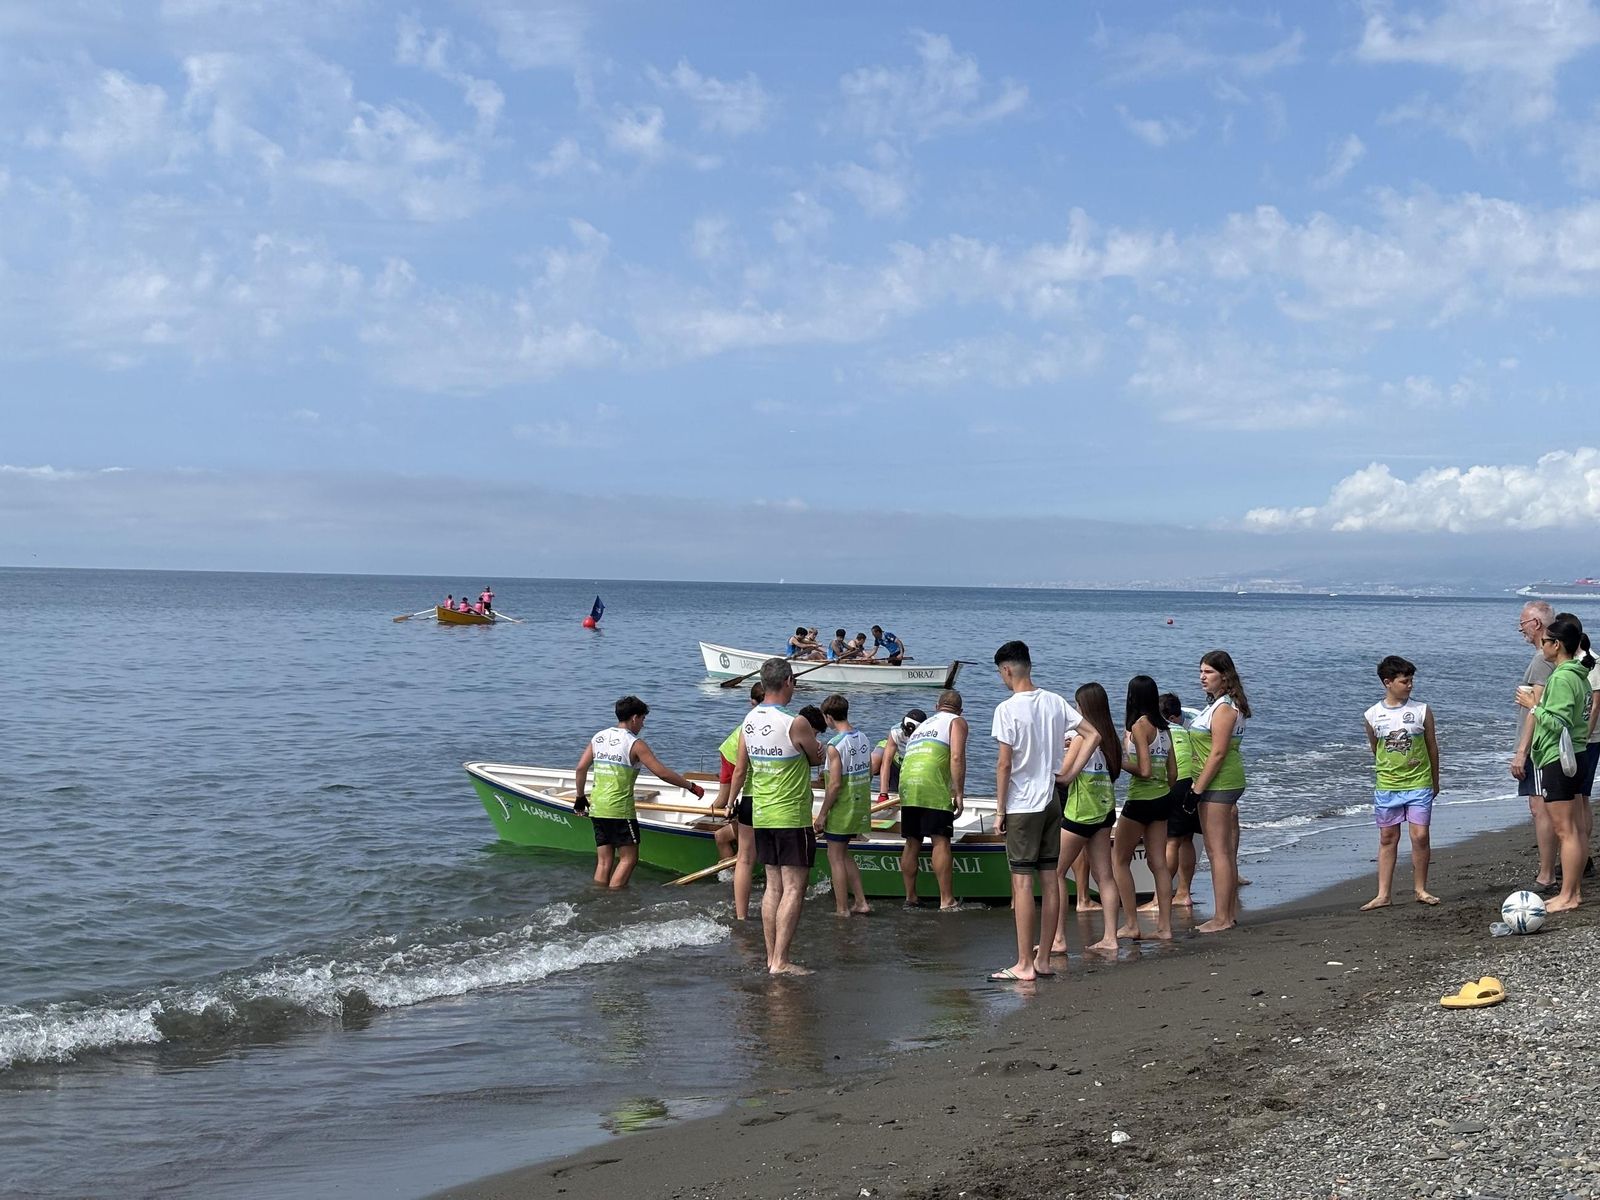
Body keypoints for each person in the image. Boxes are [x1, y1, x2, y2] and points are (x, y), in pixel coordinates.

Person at [724, 659, 827, 974]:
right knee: (794, 887)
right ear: (788, 682)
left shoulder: (750, 719)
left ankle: (772, 957)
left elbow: (742, 766)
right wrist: (817, 751)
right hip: (791, 814)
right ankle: (780, 961)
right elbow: (814, 756)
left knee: (773, 886)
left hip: (762, 813)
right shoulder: (795, 722)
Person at [988, 640, 1079, 982]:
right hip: (1052, 799)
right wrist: (1068, 773)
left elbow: (1003, 764)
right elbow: (1092, 734)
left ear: (1007, 670)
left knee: (1022, 883)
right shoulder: (1055, 701)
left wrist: (999, 810)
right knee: (1050, 877)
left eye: (1001, 673)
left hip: (1023, 804)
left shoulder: (1007, 708)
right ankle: (1042, 960)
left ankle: (1024, 963)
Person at [573, 696, 706, 889]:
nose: (643, 725)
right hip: (620, 810)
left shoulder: (598, 738)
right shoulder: (635, 744)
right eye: (643, 719)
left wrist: (579, 797)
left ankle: (598, 896)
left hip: (598, 808)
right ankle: (613, 900)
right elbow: (662, 773)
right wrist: (690, 786)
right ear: (634, 718)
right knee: (629, 859)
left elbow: (580, 768)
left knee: (603, 862)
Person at [1518, 615, 1592, 913]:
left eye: (1546, 641)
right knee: (1573, 828)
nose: (1543, 646)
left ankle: (1569, 895)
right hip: (1577, 754)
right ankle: (1571, 892)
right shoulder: (1578, 674)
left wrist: (1532, 706)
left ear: (1557, 645)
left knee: (1566, 830)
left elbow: (1558, 722)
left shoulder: (1562, 677)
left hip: (1559, 758)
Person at [1361, 656, 1442, 911]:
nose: (1410, 685)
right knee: (1387, 836)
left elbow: (1432, 747)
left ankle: (1420, 889)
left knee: (1420, 835)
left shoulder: (1421, 710)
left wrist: (1435, 781)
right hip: (1388, 785)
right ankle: (1383, 894)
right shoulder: (1373, 714)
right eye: (1404, 681)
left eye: (1411, 680)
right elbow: (1376, 749)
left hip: (1419, 782)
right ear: (1388, 683)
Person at [1050, 683, 1123, 955]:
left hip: (1081, 812)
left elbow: (1063, 772)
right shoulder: (1111, 739)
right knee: (1104, 875)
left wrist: (1060, 749)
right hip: (1105, 809)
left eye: (1077, 705)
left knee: (1055, 871)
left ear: (1084, 707)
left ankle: (1058, 938)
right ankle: (1110, 938)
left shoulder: (1082, 737)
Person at [1112, 675, 1176, 940]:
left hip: (1140, 799)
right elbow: (1173, 772)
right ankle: (1165, 928)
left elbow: (1145, 770)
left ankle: (1131, 923)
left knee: (1119, 859)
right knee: (1158, 863)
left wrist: (1120, 760)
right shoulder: (1165, 727)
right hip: (1163, 798)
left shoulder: (1140, 726)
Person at [1192, 650, 1250, 934]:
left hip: (1221, 783)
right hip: (1218, 782)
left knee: (1218, 852)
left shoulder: (1224, 708)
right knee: (1219, 851)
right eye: (1201, 671)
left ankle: (1223, 917)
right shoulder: (1217, 705)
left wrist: (1197, 789)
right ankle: (1225, 914)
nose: (1202, 677)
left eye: (1208, 672)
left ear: (1224, 676)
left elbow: (1218, 752)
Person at [896, 690, 968, 910]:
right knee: (940, 839)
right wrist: (958, 792)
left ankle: (911, 896)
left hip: (907, 781)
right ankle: (947, 900)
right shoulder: (957, 721)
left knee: (912, 840)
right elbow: (956, 756)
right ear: (960, 710)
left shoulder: (924, 725)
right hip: (931, 783)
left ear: (937, 706)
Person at [1511, 600, 1558, 890]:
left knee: (1540, 807)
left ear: (1536, 624)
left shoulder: (1543, 659)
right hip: (1551, 744)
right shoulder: (1559, 656)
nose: (1521, 632)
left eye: (1523, 626)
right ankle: (1570, 860)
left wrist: (1521, 752)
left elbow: (1534, 708)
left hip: (1539, 747)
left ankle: (1546, 874)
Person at [812, 694, 872, 917]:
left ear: (828, 717)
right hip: (860, 803)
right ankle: (861, 901)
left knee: (835, 857)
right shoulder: (863, 737)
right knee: (845, 855)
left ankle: (842, 908)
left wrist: (822, 814)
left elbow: (835, 784)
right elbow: (867, 771)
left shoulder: (834, 745)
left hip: (842, 807)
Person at [716, 682, 765, 916]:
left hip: (742, 771)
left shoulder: (758, 718)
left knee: (726, 802)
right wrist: (729, 803)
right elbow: (741, 771)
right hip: (732, 756)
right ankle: (731, 879)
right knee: (724, 799)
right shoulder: (753, 722)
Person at [1159, 692, 1199, 908]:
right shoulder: (1187, 728)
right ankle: (1184, 893)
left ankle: (1159, 899)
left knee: (1171, 841)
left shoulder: (1160, 731)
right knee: (1186, 839)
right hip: (1194, 783)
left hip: (1176, 783)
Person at [876, 708, 926, 799]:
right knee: (874, 761)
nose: (906, 734)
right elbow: (886, 762)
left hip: (911, 762)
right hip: (896, 757)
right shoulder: (896, 731)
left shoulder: (927, 735)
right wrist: (883, 794)